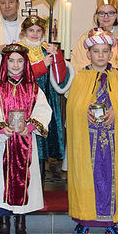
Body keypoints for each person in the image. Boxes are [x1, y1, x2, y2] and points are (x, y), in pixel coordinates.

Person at [0, 44, 52, 234]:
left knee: (24, 182)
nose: (16, 65)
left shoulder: (33, 88)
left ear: (25, 63)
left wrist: (31, 125)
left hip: (26, 142)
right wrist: (0, 127)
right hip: (4, 143)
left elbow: (43, 111)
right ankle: (3, 224)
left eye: (20, 60)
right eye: (11, 60)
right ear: (5, 63)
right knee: (2, 182)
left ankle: (21, 223)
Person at [66, 28, 118, 234]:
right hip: (88, 139)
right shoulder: (81, 79)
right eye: (97, 51)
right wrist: (82, 109)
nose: (101, 55)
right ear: (89, 54)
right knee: (86, 177)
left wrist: (117, 112)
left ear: (111, 53)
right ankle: (84, 221)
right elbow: (73, 107)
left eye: (105, 51)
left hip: (113, 141)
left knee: (112, 179)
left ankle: (111, 225)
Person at [18, 15, 73, 182]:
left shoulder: (46, 49)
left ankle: (41, 179)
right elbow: (20, 74)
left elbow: (60, 77)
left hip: (47, 99)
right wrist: (43, 65)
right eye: (31, 30)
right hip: (27, 99)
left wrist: (56, 57)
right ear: (24, 32)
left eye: (38, 31)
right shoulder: (18, 50)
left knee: (44, 140)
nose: (34, 34)